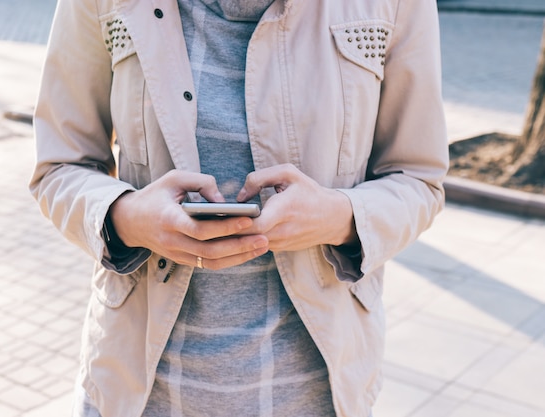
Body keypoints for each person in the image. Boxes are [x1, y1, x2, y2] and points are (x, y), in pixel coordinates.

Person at [30, 0, 448, 416]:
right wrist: (126, 218)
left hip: (316, 397)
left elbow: (418, 177)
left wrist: (339, 217)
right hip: (136, 394)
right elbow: (59, 166)